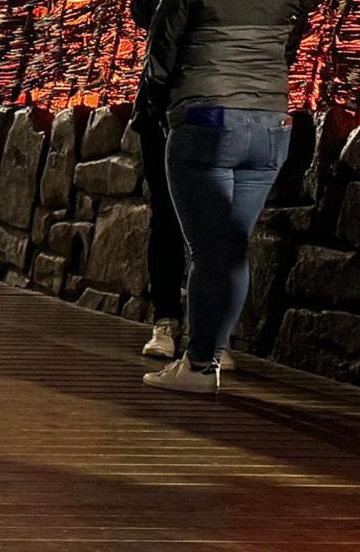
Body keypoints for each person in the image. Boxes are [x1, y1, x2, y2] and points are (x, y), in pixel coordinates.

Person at [140, 0, 310, 392]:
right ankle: (215, 352)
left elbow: (162, 44)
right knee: (234, 248)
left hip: (207, 117)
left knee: (209, 250)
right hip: (270, 121)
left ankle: (199, 365)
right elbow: (289, 45)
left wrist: (157, 103)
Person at [131, 0, 194, 361]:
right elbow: (147, 17)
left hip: (212, 102)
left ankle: (205, 331)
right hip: (173, 106)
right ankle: (170, 320)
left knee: (211, 224)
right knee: (169, 216)